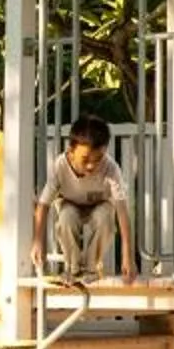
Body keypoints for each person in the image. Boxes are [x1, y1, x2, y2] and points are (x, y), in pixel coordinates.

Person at [32, 116, 133, 281]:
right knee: (66, 217)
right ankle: (73, 268)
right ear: (71, 152)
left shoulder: (111, 167)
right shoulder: (60, 165)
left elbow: (122, 210)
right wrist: (37, 242)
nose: (91, 166)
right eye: (85, 159)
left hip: (100, 204)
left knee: (105, 216)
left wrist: (127, 255)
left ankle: (91, 268)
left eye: (98, 159)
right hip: (70, 203)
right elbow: (43, 204)